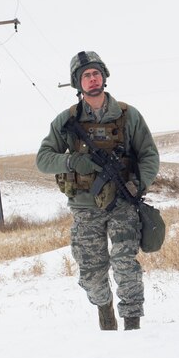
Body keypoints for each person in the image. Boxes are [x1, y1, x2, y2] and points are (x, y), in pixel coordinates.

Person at [36, 51, 160, 331]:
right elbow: (42, 159)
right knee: (91, 271)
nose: (92, 80)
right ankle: (105, 314)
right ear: (77, 84)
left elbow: (149, 155)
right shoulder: (66, 121)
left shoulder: (128, 115)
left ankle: (132, 324)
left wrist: (138, 184)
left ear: (103, 77)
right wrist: (71, 160)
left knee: (124, 262)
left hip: (121, 203)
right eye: (85, 76)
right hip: (85, 206)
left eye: (95, 74)